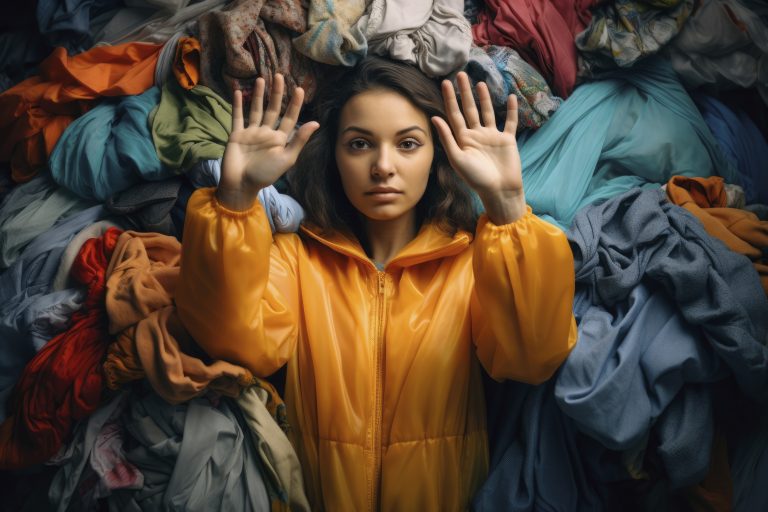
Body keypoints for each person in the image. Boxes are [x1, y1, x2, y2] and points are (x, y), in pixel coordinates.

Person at [176, 57, 577, 511]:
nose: (383, 166)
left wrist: (506, 204)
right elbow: (234, 343)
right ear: (334, 156)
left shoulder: (476, 264)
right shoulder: (295, 258)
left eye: (408, 144)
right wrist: (234, 199)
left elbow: (533, 357)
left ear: (436, 155)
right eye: (360, 144)